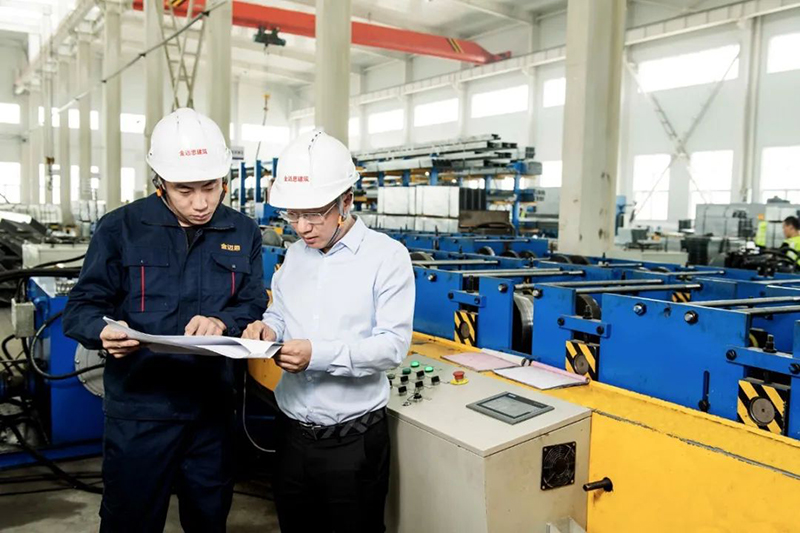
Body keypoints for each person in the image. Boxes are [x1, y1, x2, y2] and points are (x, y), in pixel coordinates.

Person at [63, 108, 267, 533]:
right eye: (184, 190)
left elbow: (251, 303)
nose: (201, 202)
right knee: (130, 521)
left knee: (208, 520)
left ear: (224, 180)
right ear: (160, 183)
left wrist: (222, 321)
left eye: (210, 187)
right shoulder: (121, 228)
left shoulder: (243, 231)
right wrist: (103, 331)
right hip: (140, 410)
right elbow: (81, 307)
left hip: (211, 411)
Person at [242, 130, 415, 532]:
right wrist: (267, 328)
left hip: (352, 445)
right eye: (292, 215)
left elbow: (392, 347)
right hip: (291, 437)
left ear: (346, 201)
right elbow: (281, 311)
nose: (302, 227)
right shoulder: (295, 254)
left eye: (314, 214)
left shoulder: (387, 258)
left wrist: (317, 355)